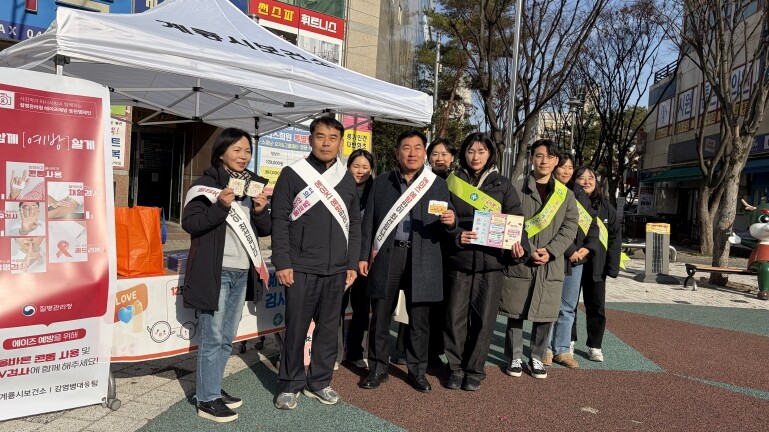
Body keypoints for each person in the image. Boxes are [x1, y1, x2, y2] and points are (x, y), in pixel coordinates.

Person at [181, 127, 271, 423]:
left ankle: (212, 388)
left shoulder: (254, 184)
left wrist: (260, 211)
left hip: (242, 271)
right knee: (213, 335)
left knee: (227, 336)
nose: (243, 156)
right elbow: (191, 223)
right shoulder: (205, 185)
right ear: (221, 152)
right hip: (215, 271)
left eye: (247, 151)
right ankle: (206, 399)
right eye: (237, 150)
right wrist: (220, 206)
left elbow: (264, 229)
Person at [271, 116, 361, 410]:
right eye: (320, 136)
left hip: (336, 270)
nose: (326, 142)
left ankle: (320, 381)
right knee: (296, 328)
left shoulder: (346, 177)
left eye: (332, 138)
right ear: (310, 139)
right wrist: (282, 261)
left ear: (340, 142)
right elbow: (280, 219)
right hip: (300, 266)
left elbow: (355, 224)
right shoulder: (292, 174)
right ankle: (289, 384)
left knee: (327, 330)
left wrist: (351, 262)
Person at [358, 130, 457, 393]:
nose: (412, 153)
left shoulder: (436, 184)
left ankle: (417, 371)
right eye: (406, 148)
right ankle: (378, 368)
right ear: (397, 153)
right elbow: (368, 222)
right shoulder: (381, 182)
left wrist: (452, 223)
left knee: (419, 319)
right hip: (388, 255)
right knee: (380, 314)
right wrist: (362, 256)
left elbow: (448, 222)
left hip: (423, 256)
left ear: (424, 153)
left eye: (417, 148)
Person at [443, 133, 525, 391]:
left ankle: (475, 369)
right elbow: (442, 217)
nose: (475, 156)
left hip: (491, 263)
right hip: (460, 260)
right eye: (470, 151)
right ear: (463, 154)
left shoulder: (503, 184)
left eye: (481, 151)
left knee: (485, 319)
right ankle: (455, 367)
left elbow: (516, 219)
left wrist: (518, 243)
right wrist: (456, 233)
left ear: (490, 154)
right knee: (454, 317)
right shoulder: (451, 182)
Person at [499, 139, 578, 379]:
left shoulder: (566, 195)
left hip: (550, 262)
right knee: (516, 310)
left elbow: (570, 226)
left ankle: (537, 357)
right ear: (531, 158)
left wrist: (552, 250)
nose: (544, 161)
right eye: (538, 155)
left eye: (549, 157)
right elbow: (509, 220)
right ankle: (513, 357)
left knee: (545, 313)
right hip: (522, 256)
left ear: (556, 161)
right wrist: (528, 247)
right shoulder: (517, 187)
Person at [545, 153, 598, 369]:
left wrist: (586, 249)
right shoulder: (549, 190)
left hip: (578, 259)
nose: (566, 171)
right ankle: (545, 349)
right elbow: (549, 228)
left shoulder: (579, 193)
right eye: (562, 167)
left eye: (570, 167)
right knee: (549, 305)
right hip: (556, 256)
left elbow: (592, 225)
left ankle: (563, 350)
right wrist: (570, 250)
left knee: (568, 306)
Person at [574, 166, 621, 362]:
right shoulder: (568, 202)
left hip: (597, 265)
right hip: (573, 263)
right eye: (582, 178)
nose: (586, 181)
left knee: (596, 307)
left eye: (590, 178)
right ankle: (567, 341)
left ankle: (595, 345)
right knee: (569, 306)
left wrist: (612, 266)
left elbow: (615, 238)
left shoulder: (607, 207)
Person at [336, 149, 375, 370]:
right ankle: (335, 352)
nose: (360, 171)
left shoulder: (376, 191)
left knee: (361, 307)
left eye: (365, 167)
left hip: (363, 260)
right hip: (340, 257)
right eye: (356, 166)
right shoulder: (338, 187)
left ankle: (356, 352)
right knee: (337, 306)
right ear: (348, 166)